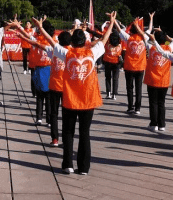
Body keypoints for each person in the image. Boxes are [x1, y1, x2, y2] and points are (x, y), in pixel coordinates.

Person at [48, 13, 116, 175]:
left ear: (71, 42)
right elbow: (105, 39)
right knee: (85, 133)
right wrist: (112, 23)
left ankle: (67, 164)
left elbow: (51, 41)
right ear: (85, 41)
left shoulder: (67, 54)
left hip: (71, 99)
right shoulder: (92, 53)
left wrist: (41, 28)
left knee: (68, 132)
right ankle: (84, 167)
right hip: (88, 100)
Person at [116, 16, 150, 115]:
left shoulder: (128, 38)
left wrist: (114, 21)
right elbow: (143, 33)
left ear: (131, 30)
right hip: (140, 68)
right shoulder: (144, 39)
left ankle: (130, 107)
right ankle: (138, 108)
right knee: (138, 88)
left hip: (129, 67)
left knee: (129, 88)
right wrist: (137, 25)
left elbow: (119, 30)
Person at [101, 33, 122, 100]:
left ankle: (108, 93)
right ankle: (114, 94)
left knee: (108, 78)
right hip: (116, 62)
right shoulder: (119, 45)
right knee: (115, 78)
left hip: (107, 61)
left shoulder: (107, 44)